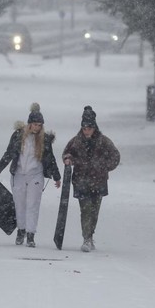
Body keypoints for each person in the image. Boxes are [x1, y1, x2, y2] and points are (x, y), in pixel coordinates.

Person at [0, 103, 61, 248]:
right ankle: (21, 231)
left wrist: (57, 177)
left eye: (40, 125)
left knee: (33, 205)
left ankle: (30, 235)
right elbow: (9, 153)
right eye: (35, 124)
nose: (37, 127)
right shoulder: (17, 136)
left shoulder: (44, 139)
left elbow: (50, 158)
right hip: (18, 175)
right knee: (19, 204)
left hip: (36, 175)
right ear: (29, 124)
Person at [62, 105, 120, 252]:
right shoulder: (76, 141)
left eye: (89, 128)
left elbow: (115, 156)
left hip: (98, 181)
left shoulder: (104, 141)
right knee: (85, 209)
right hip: (81, 180)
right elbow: (67, 153)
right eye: (84, 128)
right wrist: (68, 159)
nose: (86, 131)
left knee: (94, 211)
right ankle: (86, 238)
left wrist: (104, 167)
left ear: (94, 128)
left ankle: (90, 235)